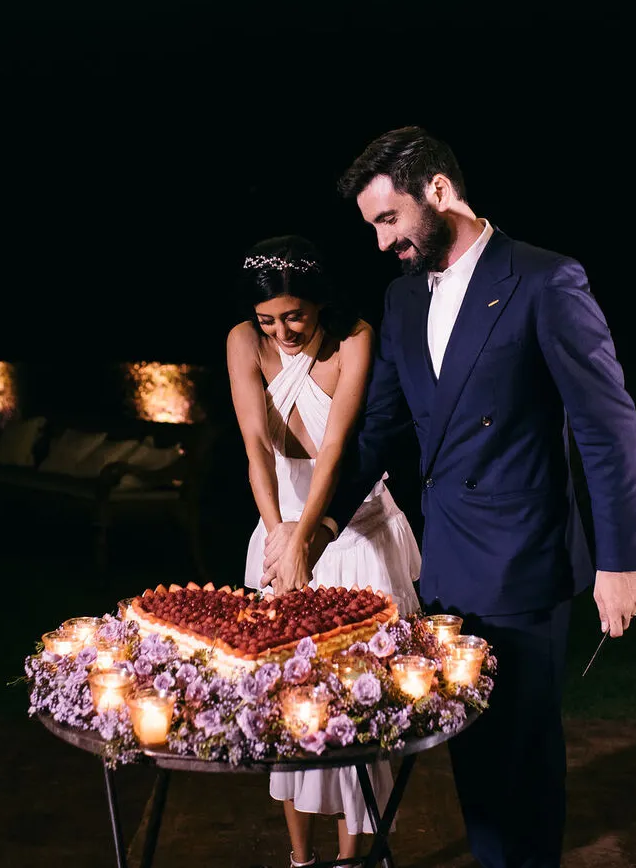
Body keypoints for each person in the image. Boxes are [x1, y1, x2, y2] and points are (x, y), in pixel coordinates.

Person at [263, 127, 636, 868]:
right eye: (373, 226)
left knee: (524, 761)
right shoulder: (404, 299)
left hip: (525, 561)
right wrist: (317, 527)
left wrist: (620, 558)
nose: (381, 243)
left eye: (389, 221)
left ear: (438, 192)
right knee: (472, 752)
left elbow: (608, 425)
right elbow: (378, 431)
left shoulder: (545, 280)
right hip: (445, 566)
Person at [228, 234, 422, 868]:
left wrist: (309, 536)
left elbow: (338, 449)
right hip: (280, 524)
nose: (281, 330)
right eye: (268, 320)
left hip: (350, 526)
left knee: (356, 698)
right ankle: (299, 858)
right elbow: (256, 445)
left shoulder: (355, 338)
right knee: (286, 698)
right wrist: (280, 538)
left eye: (294, 316)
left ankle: (353, 858)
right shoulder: (242, 343)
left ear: (319, 305)